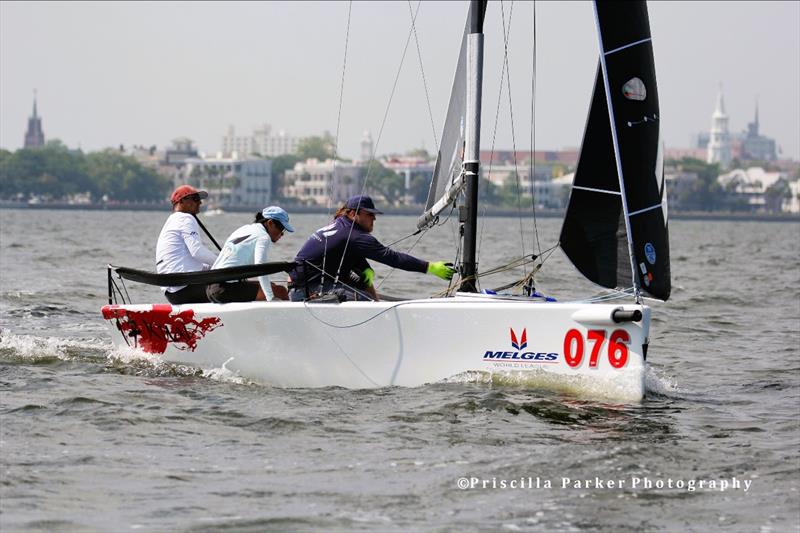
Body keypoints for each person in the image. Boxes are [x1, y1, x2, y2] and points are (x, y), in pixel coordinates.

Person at [288, 195, 455, 302]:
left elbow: (354, 261)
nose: (374, 217)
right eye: (369, 214)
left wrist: (368, 276)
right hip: (307, 292)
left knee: (362, 281)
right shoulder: (354, 235)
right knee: (364, 302)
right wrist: (430, 267)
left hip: (299, 288)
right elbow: (392, 258)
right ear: (354, 214)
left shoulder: (339, 225)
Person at [205, 206, 294, 303]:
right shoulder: (263, 237)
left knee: (271, 285)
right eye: (281, 228)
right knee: (280, 291)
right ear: (270, 223)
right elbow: (260, 267)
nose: (282, 234)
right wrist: (270, 298)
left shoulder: (245, 228)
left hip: (210, 288)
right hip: (224, 290)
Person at [155, 185, 218, 304]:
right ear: (182, 201)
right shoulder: (186, 218)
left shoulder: (172, 220)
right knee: (237, 287)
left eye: (199, 199)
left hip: (172, 293)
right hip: (187, 289)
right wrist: (222, 263)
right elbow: (197, 252)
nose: (199, 202)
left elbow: (188, 259)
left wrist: (211, 267)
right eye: (195, 198)